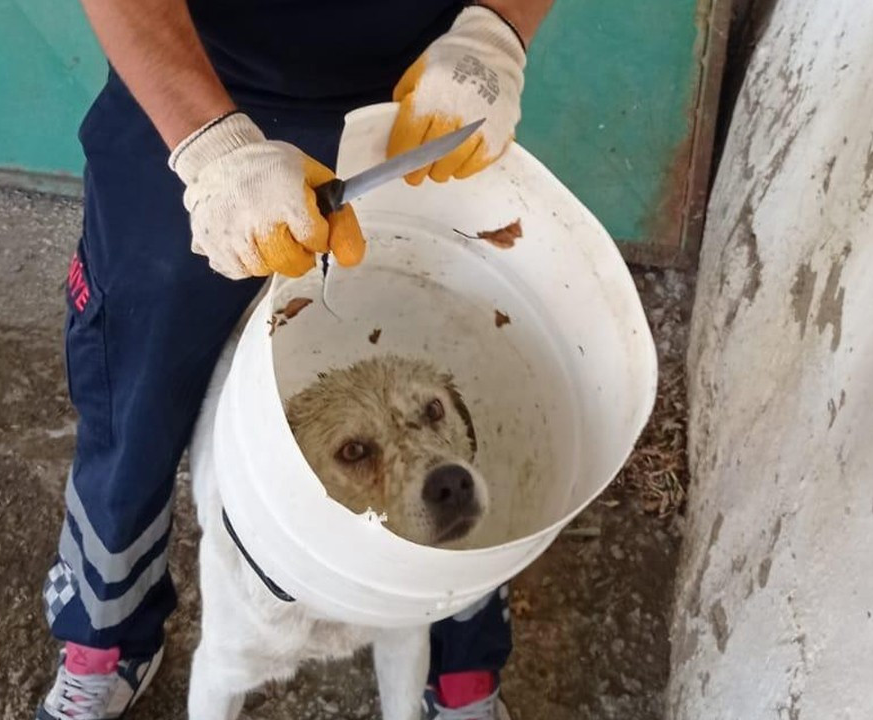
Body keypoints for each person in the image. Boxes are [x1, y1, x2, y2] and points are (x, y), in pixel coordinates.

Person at [37, 0, 552, 718]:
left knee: (463, 349)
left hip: (417, 100)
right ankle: (109, 633)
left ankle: (461, 659)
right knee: (133, 382)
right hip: (198, 78)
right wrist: (209, 145)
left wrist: (497, 27)